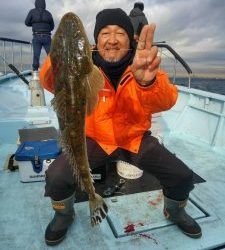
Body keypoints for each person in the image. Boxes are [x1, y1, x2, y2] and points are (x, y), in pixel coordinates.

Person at [40, 8, 202, 246]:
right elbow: (50, 82)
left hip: (134, 138)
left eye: (120, 33)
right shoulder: (82, 68)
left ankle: (175, 210)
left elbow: (167, 100)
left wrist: (147, 82)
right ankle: (64, 214)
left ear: (131, 39)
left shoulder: (144, 63)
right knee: (56, 176)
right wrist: (57, 55)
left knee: (182, 177)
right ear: (95, 41)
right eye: (105, 33)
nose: (112, 40)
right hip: (97, 139)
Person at [25, 0, 54, 71]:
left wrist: (33, 23)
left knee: (36, 55)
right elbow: (52, 26)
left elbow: (26, 22)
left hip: (37, 36)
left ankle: (35, 72)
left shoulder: (32, 11)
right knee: (51, 55)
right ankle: (54, 71)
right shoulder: (48, 13)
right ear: (44, 4)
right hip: (47, 36)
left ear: (36, 4)